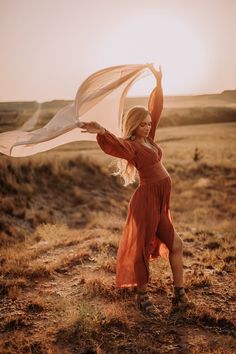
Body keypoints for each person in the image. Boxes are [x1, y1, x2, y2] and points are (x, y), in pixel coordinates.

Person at [80, 64, 191, 316]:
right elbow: (114, 145)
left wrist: (159, 84)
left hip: (161, 200)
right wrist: (102, 131)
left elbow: (155, 111)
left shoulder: (149, 140)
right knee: (141, 248)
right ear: (134, 126)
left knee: (177, 244)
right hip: (146, 201)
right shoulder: (131, 146)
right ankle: (143, 298)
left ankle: (179, 295)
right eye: (143, 124)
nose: (148, 126)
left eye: (149, 124)